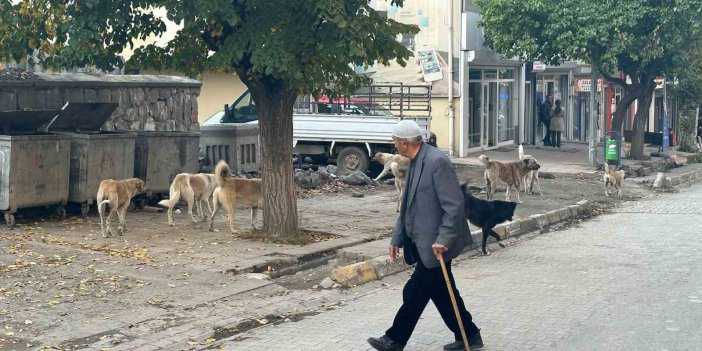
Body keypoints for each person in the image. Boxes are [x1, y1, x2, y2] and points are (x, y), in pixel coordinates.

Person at [367, 120, 483, 351]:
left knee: (414, 291)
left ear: (403, 142)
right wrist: (396, 238)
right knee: (442, 291)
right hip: (422, 242)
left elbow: (454, 206)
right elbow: (408, 204)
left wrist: (443, 239)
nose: (394, 144)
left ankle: (395, 339)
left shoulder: (436, 161)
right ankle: (470, 335)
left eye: (394, 141)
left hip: (437, 244)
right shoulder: (415, 161)